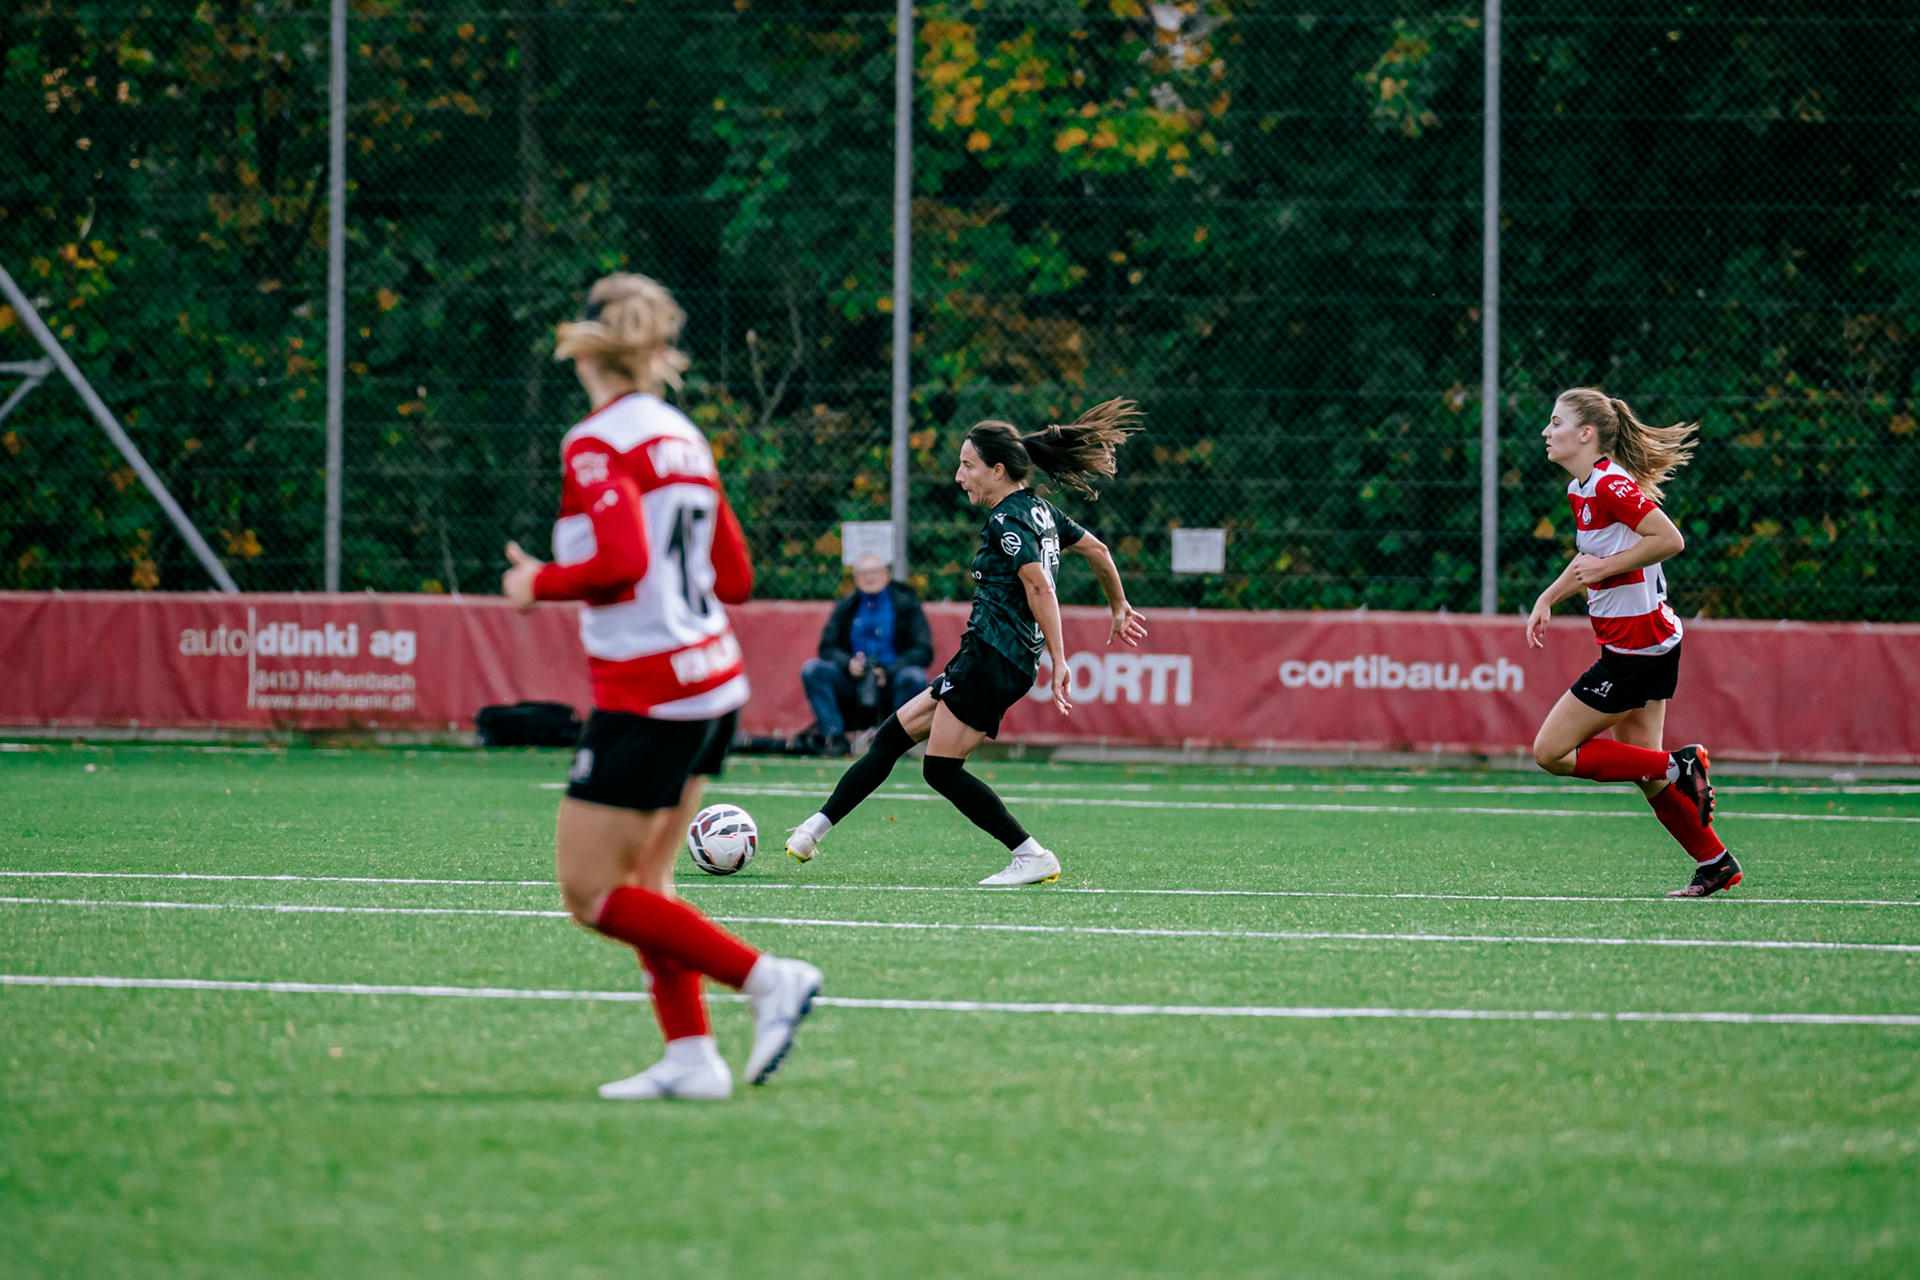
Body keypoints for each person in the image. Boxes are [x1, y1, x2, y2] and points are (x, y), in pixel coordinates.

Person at [501, 272, 822, 1101]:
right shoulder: (681, 433)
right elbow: (737, 576)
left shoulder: (597, 439)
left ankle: (765, 981)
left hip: (651, 693)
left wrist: (540, 583)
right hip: (713, 681)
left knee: (591, 892)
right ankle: (691, 1058)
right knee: (647, 883)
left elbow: (619, 563)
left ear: (584, 345)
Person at [784, 399, 1149, 885]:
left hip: (992, 658)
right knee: (892, 736)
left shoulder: (1008, 519)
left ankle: (1030, 854)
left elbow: (1040, 586)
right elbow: (1099, 551)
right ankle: (812, 831)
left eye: (968, 466)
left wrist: (1062, 660)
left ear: (998, 471)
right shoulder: (1041, 511)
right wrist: (1118, 604)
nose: (960, 476)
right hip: (991, 657)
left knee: (940, 769)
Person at [1525, 387, 1740, 898]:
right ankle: (1715, 863)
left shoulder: (1610, 486)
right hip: (1643, 646)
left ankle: (1681, 763)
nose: (1545, 432)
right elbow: (1590, 560)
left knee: (1551, 752)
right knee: (1644, 770)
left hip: (1636, 651)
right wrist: (1550, 596)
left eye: (1555, 423)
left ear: (1586, 434)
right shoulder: (1584, 487)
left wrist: (1603, 568)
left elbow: (1669, 539)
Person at [800, 552, 933, 755]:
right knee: (812, 670)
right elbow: (827, 647)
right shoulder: (845, 606)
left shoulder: (907, 604)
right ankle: (834, 739)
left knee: (914, 676)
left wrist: (888, 671)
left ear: (886, 575)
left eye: (874, 572)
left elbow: (923, 650)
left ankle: (900, 740)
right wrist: (848, 664)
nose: (869, 578)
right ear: (855, 578)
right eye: (863, 573)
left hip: (892, 682)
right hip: (853, 683)